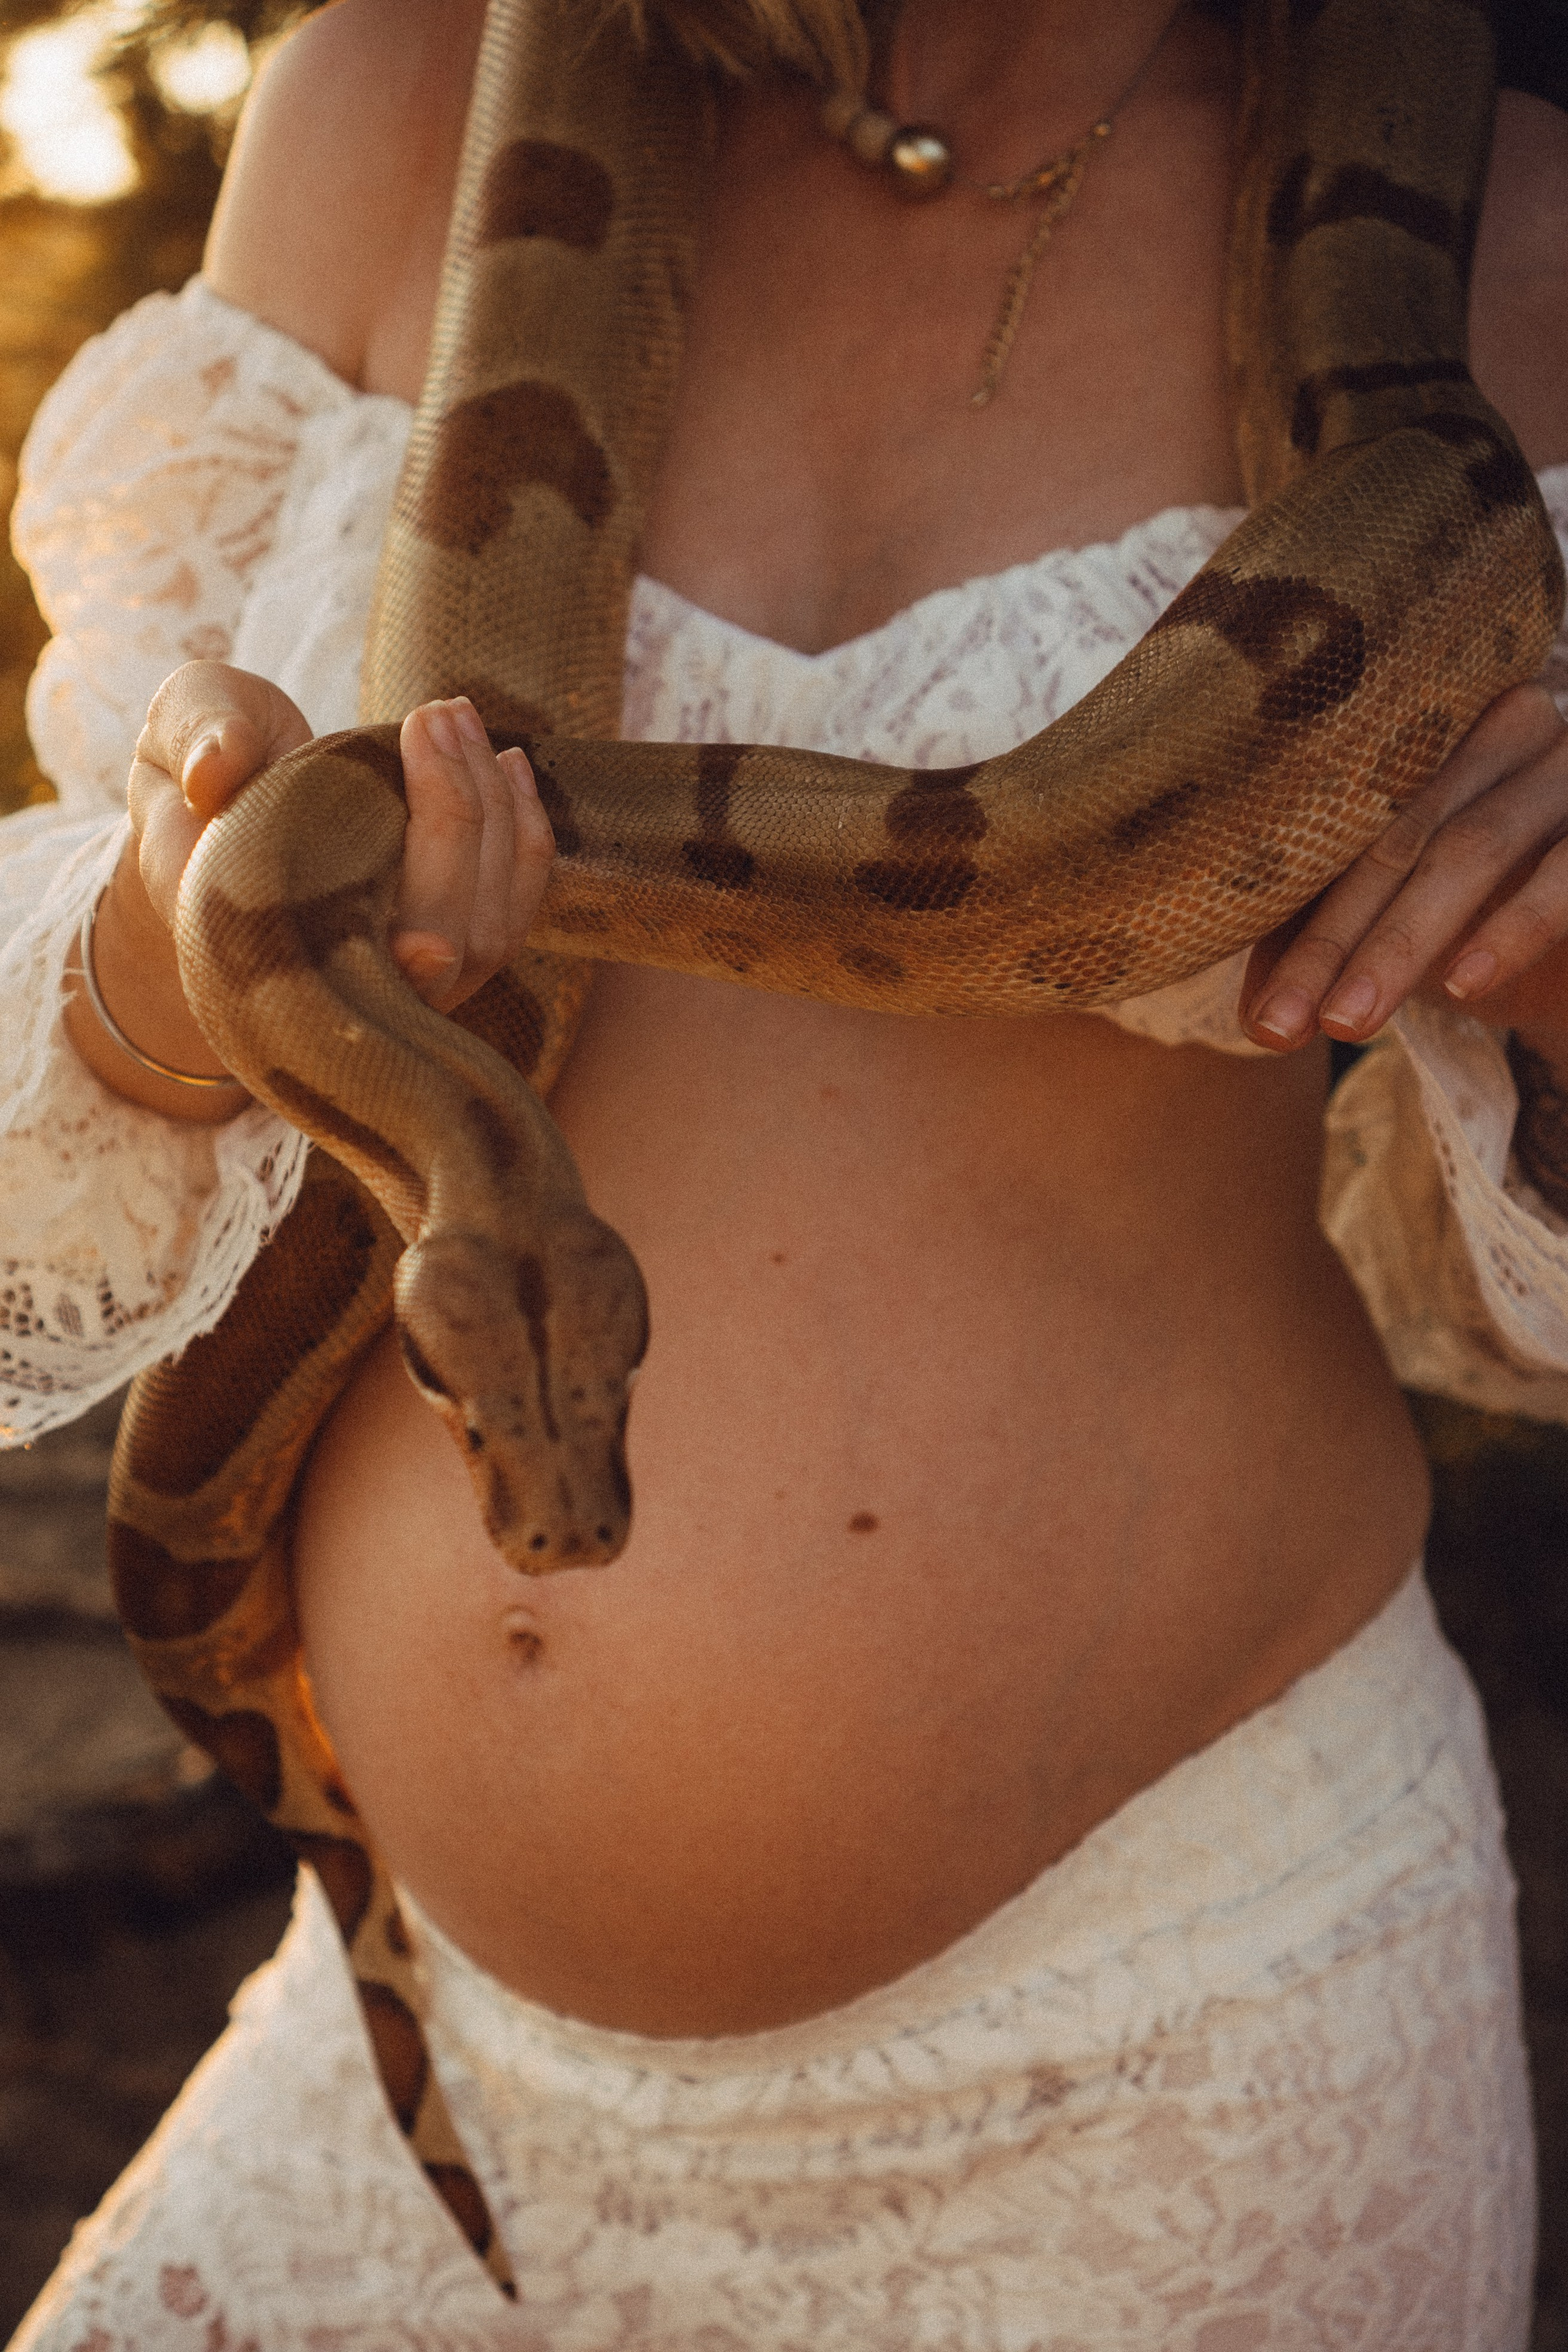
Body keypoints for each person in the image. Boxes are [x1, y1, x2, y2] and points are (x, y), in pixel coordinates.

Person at [6, 0, 1568, 2338]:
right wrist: (178, 938)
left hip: (1163, 2083)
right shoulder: (387, 105)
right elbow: (93, 1017)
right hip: (425, 2056)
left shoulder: (1511, 243)